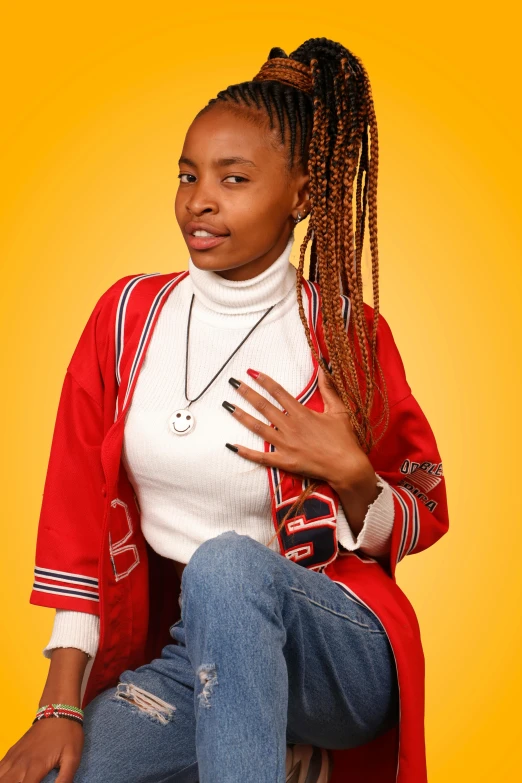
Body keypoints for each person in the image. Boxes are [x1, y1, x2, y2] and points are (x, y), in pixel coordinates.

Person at [0, 37, 449, 783]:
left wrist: (355, 477)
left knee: (226, 565)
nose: (199, 200)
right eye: (188, 175)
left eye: (232, 178)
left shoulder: (346, 337)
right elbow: (75, 513)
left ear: (303, 195)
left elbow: (426, 500)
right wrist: (60, 704)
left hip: (337, 651)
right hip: (200, 651)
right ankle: (264, 745)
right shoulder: (125, 319)